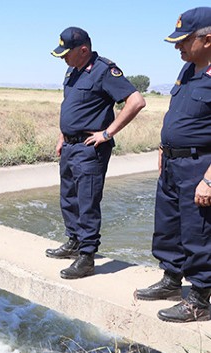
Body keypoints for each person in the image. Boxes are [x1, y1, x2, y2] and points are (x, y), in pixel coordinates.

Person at [46, 27, 146, 279]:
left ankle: (87, 257)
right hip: (70, 146)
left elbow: (136, 101)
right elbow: (70, 107)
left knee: (87, 202)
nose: (62, 58)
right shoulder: (72, 71)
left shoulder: (104, 70)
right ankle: (74, 242)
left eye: (66, 53)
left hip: (90, 149)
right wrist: (62, 136)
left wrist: (107, 133)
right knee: (69, 198)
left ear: (83, 50)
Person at [134, 7, 211, 323]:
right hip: (172, 163)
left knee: (199, 233)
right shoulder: (187, 71)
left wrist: (209, 179)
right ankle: (170, 281)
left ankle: (201, 299)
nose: (178, 46)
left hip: (199, 166)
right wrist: (164, 148)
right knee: (168, 227)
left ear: (207, 40)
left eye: (183, 41)